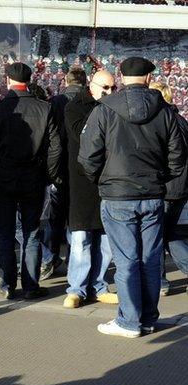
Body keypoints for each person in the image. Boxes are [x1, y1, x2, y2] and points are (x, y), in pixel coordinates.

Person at [79, 57, 186, 338]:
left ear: (121, 77)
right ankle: (147, 317)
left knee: (127, 259)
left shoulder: (103, 111)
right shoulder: (165, 112)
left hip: (117, 196)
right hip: (151, 194)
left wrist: (104, 180)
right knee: (150, 258)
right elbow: (178, 157)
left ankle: (129, 320)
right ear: (149, 78)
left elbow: (88, 157)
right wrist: (158, 178)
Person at [0, 62, 62, 300]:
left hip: (5, 177)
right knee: (31, 233)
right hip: (33, 177)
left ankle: (7, 283)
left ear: (8, 81)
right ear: (30, 80)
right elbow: (56, 147)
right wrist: (48, 174)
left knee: (4, 232)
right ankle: (30, 285)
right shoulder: (45, 109)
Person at [62, 70, 118, 309]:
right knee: (81, 238)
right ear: (91, 86)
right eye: (105, 88)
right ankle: (77, 288)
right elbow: (85, 137)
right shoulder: (74, 107)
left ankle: (98, 285)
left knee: (106, 240)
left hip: (108, 181)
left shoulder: (112, 108)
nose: (109, 93)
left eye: (112, 89)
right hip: (82, 183)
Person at [41, 68, 88, 280]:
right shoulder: (89, 101)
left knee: (55, 217)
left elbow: (51, 138)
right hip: (82, 169)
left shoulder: (56, 102)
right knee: (76, 219)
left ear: (65, 81)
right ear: (84, 82)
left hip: (59, 168)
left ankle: (49, 257)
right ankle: (73, 260)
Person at [149, 82, 188, 296]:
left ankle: (160, 281)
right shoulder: (180, 120)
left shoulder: (162, 121)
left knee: (157, 235)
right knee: (168, 233)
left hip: (165, 185)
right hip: (180, 187)